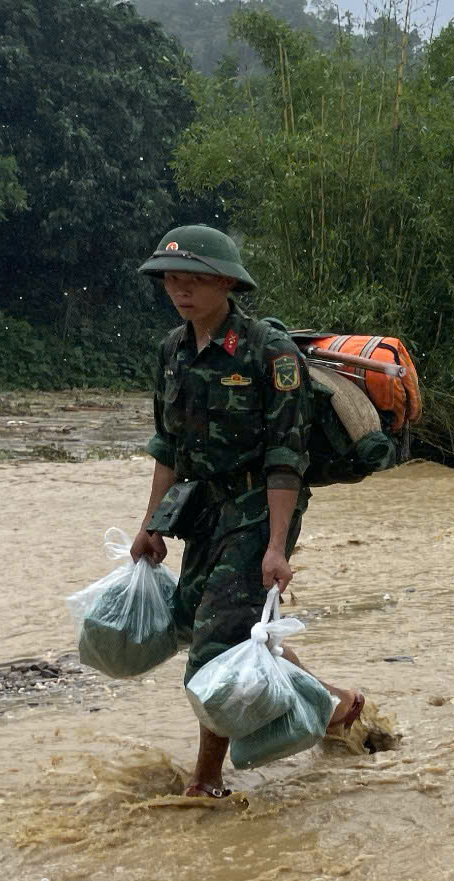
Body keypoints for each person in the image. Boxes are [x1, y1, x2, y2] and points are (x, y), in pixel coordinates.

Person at [130, 225, 363, 799]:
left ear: (227, 283)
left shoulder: (269, 352)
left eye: (194, 280)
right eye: (171, 281)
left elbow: (288, 457)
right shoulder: (171, 351)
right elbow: (167, 446)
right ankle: (333, 704)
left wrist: (277, 545)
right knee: (206, 621)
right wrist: (150, 524)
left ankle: (206, 782)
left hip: (261, 506)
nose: (180, 291)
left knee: (217, 640)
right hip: (202, 510)